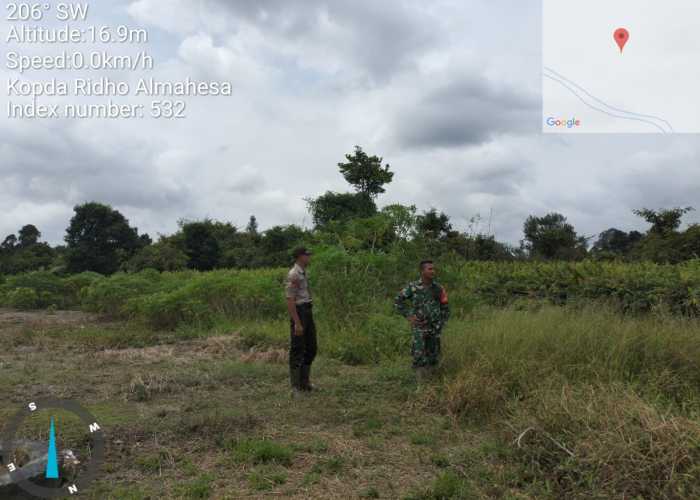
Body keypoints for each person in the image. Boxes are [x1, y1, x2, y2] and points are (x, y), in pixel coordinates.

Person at [394, 260, 450, 380]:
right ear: (422, 271)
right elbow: (398, 301)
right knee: (419, 354)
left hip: (435, 327)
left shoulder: (438, 288)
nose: (433, 271)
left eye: (433, 269)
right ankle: (419, 384)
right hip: (419, 326)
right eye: (429, 269)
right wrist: (409, 316)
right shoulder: (413, 287)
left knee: (433, 355)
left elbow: (445, 307)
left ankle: (431, 382)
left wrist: (442, 323)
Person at [285, 247, 318, 393]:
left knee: (311, 347)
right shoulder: (294, 274)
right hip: (299, 312)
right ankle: (295, 387)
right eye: (306, 255)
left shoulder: (303, 272)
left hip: (307, 310)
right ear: (299, 257)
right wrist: (297, 323)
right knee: (298, 348)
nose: (309, 257)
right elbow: (290, 300)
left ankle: (305, 382)